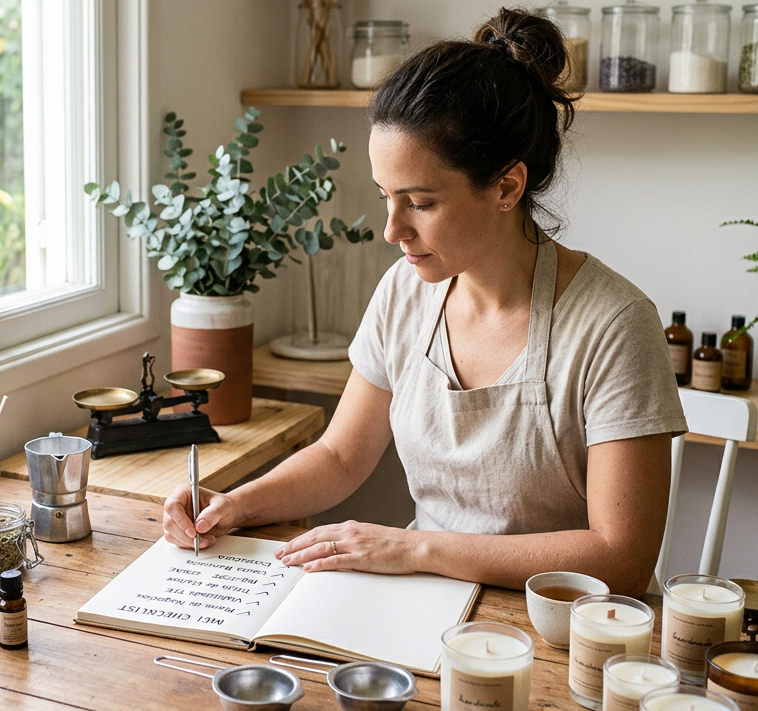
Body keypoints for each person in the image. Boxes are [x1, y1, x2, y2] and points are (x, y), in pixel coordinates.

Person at [163, 9, 687, 596]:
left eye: (420, 203)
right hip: (428, 599)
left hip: (561, 621)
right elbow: (339, 455)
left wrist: (415, 547)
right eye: (385, 196)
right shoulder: (404, 291)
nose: (392, 230)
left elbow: (622, 558)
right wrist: (235, 504)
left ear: (506, 187)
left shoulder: (614, 325)